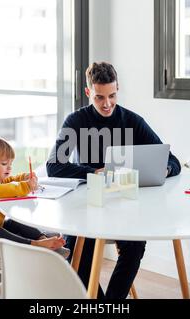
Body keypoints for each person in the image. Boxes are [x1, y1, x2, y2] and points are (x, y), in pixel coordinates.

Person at [46, 62, 181, 299]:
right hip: (87, 207)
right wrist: (95, 172)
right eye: (99, 97)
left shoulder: (132, 121)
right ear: (88, 93)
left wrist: (163, 170)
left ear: (117, 89)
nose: (107, 104)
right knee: (78, 255)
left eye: (112, 96)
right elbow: (53, 166)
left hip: (123, 205)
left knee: (135, 247)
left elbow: (172, 160)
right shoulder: (76, 121)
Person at [0, 136, 69, 257]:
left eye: (10, 164)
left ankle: (42, 237)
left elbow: (9, 180)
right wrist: (25, 186)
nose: (9, 168)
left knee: (13, 222)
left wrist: (24, 177)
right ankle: (36, 244)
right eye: (4, 163)